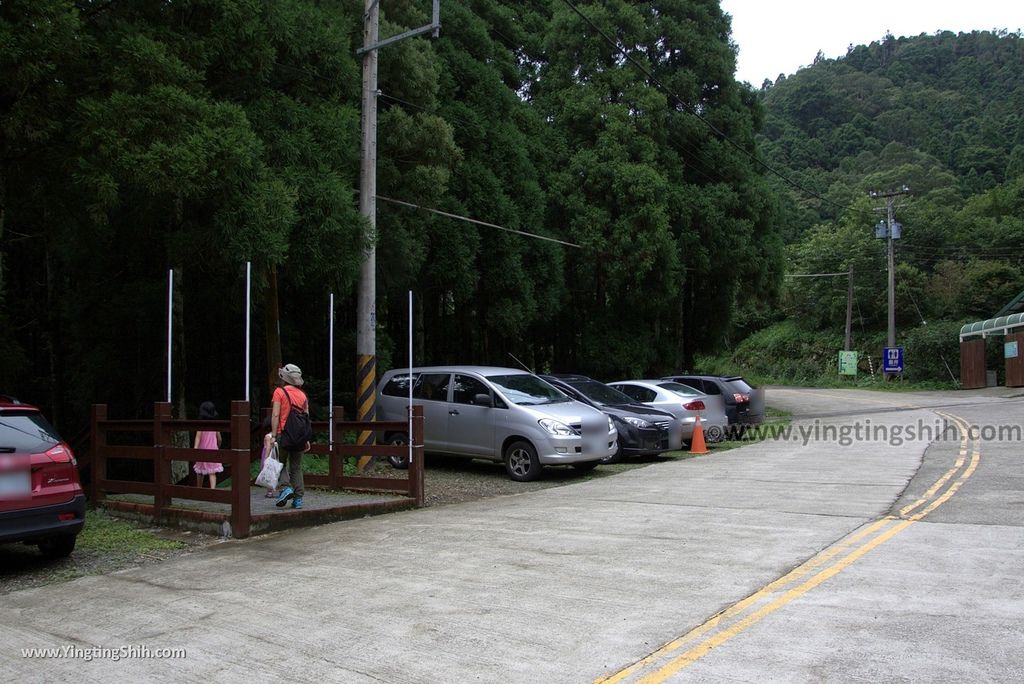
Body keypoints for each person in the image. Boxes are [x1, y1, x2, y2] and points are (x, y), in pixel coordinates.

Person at [271, 363, 309, 509]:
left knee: (279, 463)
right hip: (300, 436)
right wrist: (306, 438)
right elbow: (306, 418)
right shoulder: (303, 395)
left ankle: (285, 488)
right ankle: (298, 499)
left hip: (283, 434)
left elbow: (275, 414)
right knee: (296, 466)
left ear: (284, 378)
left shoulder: (279, 392)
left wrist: (274, 435)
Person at [193, 401, 223, 488]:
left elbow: (198, 437)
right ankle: (212, 490)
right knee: (212, 473)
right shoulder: (215, 424)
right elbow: (219, 438)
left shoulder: (201, 424)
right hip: (213, 449)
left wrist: (195, 448)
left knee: (200, 471)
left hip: (202, 450)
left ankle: (199, 489)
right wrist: (218, 446)